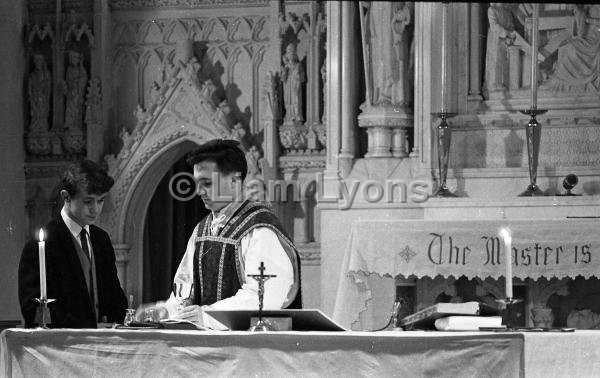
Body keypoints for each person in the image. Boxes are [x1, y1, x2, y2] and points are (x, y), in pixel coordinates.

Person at [136, 139, 301, 328]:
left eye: (206, 183)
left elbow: (264, 296)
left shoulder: (260, 229)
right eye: (197, 183)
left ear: (234, 180)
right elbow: (185, 289)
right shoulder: (202, 230)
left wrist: (207, 316)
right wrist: (166, 310)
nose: (198, 191)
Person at [18, 160, 127, 328]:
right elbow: (33, 309)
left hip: (104, 344)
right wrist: (89, 326)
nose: (95, 209)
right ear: (66, 197)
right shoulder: (41, 244)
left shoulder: (101, 240)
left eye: (101, 200)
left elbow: (114, 297)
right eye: (88, 201)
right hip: (60, 347)